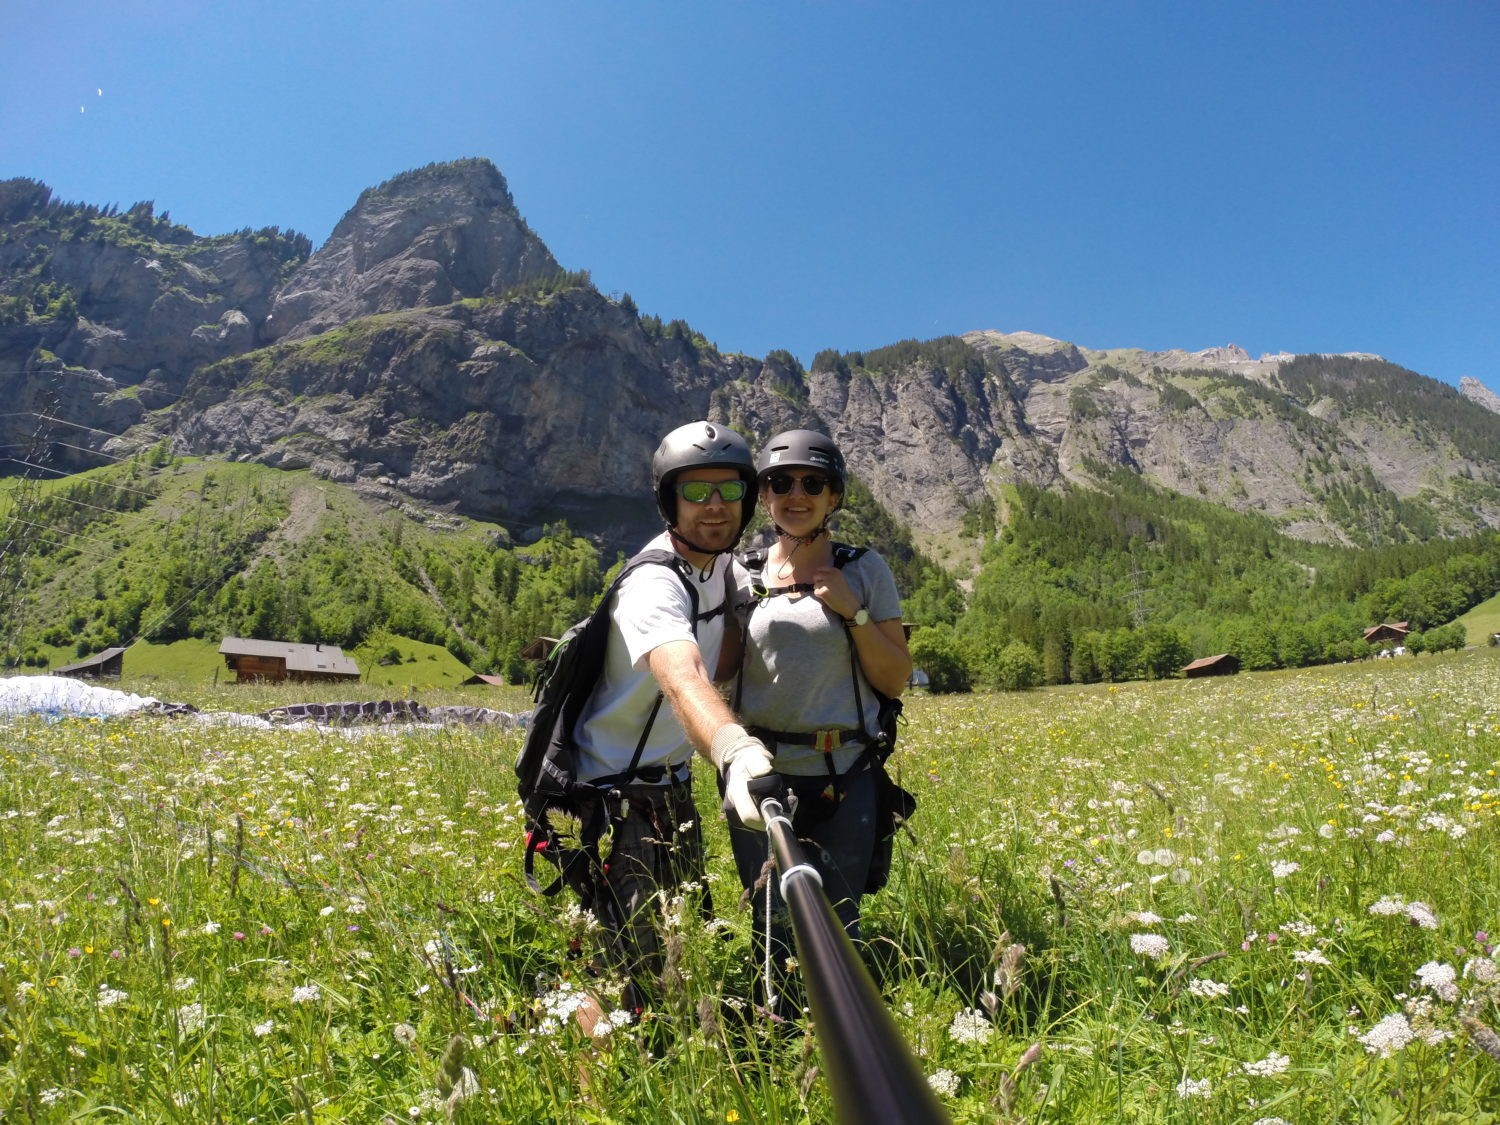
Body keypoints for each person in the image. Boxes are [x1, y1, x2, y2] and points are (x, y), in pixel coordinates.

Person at [570, 420, 776, 1009]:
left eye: (729, 490)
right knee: (620, 972)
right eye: (695, 491)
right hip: (612, 799)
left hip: (672, 791)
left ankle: (668, 1058)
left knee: (675, 948)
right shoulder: (654, 584)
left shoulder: (723, 569)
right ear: (668, 499)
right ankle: (597, 1093)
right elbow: (681, 676)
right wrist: (734, 748)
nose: (714, 506)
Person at [726, 429, 912, 1013]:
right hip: (761, 778)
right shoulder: (741, 573)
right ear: (765, 496)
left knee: (839, 919)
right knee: (770, 922)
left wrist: (851, 612)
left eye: (814, 483)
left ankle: (844, 1030)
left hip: (844, 773)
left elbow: (894, 678)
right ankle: (780, 1044)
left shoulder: (864, 569)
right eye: (781, 483)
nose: (796, 494)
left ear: (834, 496)